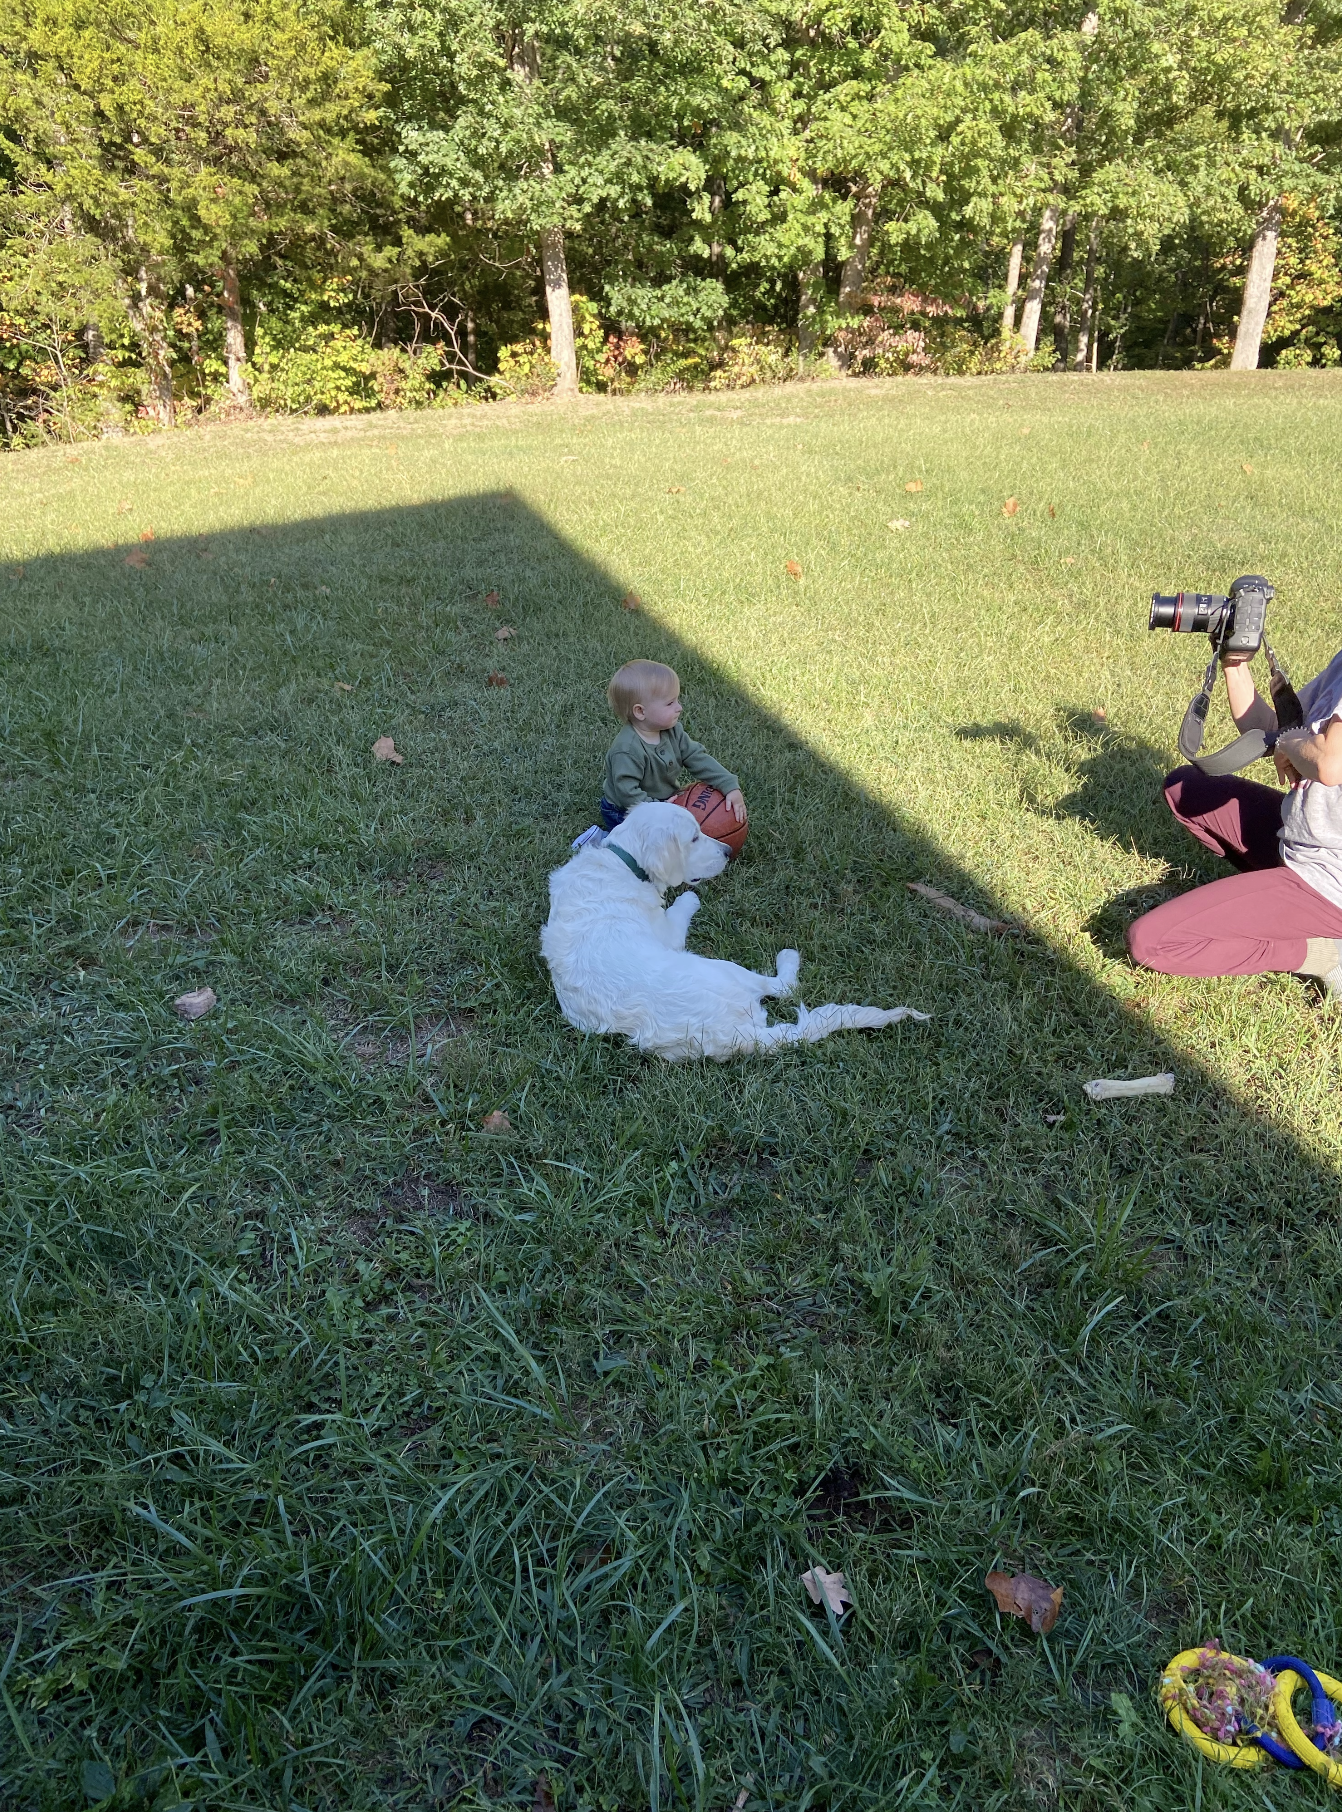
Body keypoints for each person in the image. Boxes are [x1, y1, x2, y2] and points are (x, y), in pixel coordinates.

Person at [1128, 642, 1342, 1000]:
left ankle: (1323, 952)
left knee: (1152, 941)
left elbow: (1328, 764)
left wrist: (1290, 743)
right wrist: (1234, 661)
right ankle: (1278, 904)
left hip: (1332, 881)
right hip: (1308, 839)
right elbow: (1273, 728)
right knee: (1186, 790)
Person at [599, 660, 746, 832]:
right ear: (640, 711)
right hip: (626, 811)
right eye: (670, 703)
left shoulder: (673, 731)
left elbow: (696, 757)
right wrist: (660, 811)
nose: (679, 707)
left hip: (664, 803)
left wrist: (728, 784)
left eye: (677, 700)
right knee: (652, 845)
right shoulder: (627, 750)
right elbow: (628, 793)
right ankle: (602, 838)